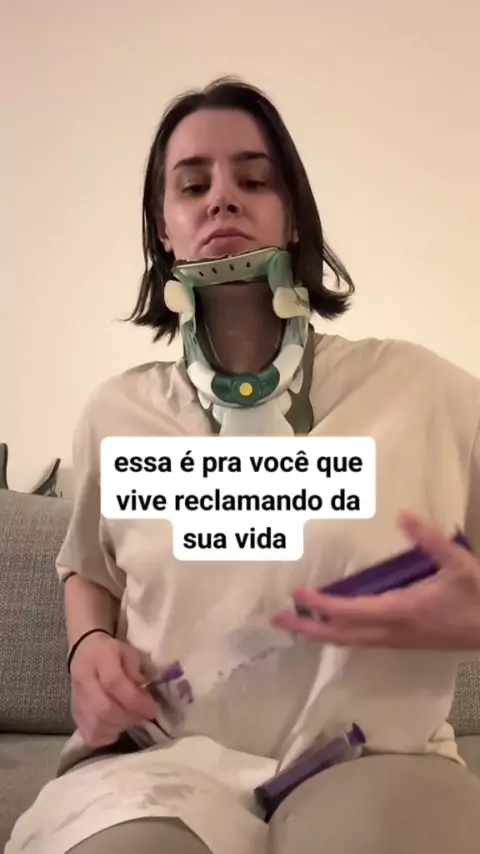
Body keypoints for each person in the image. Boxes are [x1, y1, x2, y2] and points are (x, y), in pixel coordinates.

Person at [6, 76, 480, 854]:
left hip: (369, 752)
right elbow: (88, 565)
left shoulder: (424, 395)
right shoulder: (117, 414)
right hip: (158, 760)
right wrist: (87, 646)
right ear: (164, 228)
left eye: (254, 180)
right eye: (193, 185)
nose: (222, 198)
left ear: (292, 216)